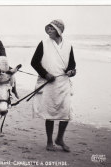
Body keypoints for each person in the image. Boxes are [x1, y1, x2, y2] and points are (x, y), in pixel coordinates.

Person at [31, 19, 76, 152]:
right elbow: (34, 62)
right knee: (50, 113)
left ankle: (60, 139)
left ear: (59, 30)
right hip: (48, 83)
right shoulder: (43, 43)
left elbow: (72, 63)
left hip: (64, 83)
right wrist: (45, 74)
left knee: (66, 112)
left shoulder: (68, 45)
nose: (49, 30)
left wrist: (71, 71)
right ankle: (50, 141)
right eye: (48, 28)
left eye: (52, 28)